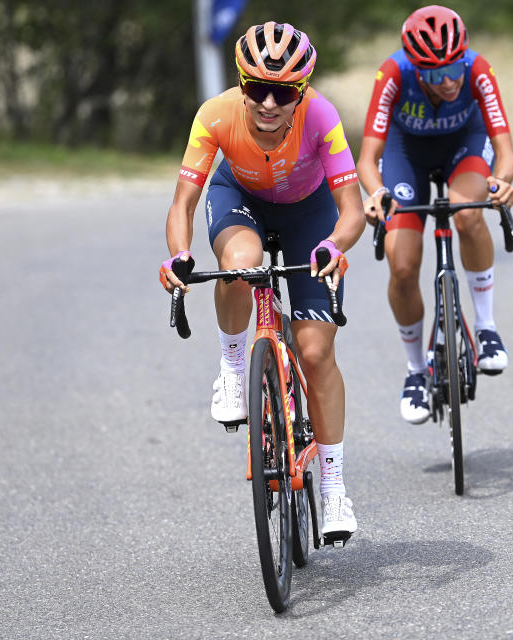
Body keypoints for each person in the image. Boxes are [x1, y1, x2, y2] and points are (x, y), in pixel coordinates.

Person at [159, 22, 365, 540]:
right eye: (257, 89)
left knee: (316, 353)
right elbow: (183, 201)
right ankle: (233, 365)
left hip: (308, 213)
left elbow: (352, 210)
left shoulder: (320, 116)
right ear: (241, 84)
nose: (269, 104)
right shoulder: (215, 115)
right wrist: (179, 255)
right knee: (242, 261)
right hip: (241, 199)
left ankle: (334, 488)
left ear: (302, 92)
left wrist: (333, 246)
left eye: (284, 92)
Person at [356, 5, 513, 424]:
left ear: (463, 57)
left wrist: (500, 181)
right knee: (403, 265)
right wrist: (376, 194)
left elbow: (505, 151)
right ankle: (415, 371)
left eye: (453, 71)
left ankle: (485, 327)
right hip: (404, 153)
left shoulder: (478, 68)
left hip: (466, 144)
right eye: (431, 75)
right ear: (414, 67)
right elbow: (368, 159)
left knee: (467, 213)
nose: (446, 82)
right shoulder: (392, 74)